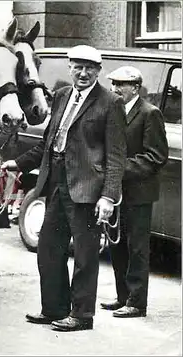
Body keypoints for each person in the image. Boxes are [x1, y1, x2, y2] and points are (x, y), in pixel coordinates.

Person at [1, 45, 127, 331]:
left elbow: (116, 155)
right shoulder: (61, 96)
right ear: (70, 68)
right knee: (48, 248)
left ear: (99, 71)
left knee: (84, 256)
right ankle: (54, 308)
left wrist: (108, 196)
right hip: (55, 181)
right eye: (78, 67)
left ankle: (82, 316)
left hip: (87, 188)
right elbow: (48, 143)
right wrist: (17, 164)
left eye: (89, 68)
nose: (83, 73)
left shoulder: (110, 102)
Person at [100, 66, 168, 318]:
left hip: (139, 193)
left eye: (121, 85)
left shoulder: (150, 113)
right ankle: (122, 297)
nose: (115, 89)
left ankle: (137, 303)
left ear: (136, 87)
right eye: (113, 84)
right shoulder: (115, 111)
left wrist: (117, 170)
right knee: (116, 245)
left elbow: (155, 156)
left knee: (137, 248)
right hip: (117, 191)